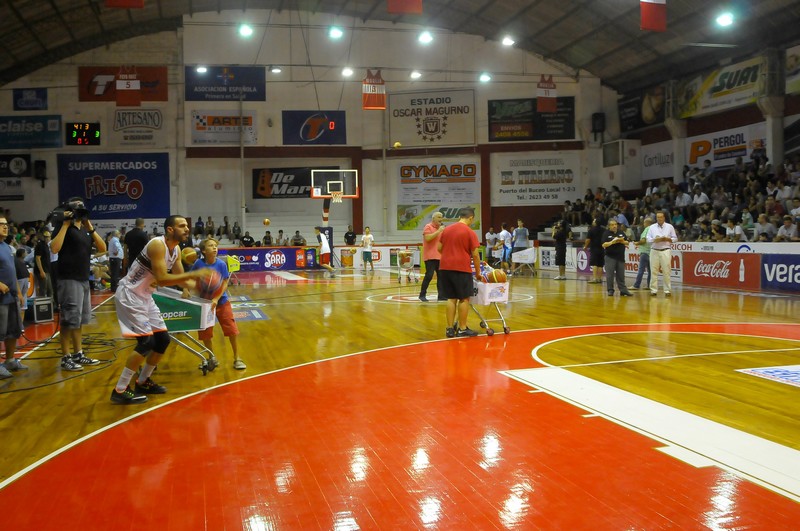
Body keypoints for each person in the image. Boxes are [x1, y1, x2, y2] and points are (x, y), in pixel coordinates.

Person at [110, 215, 212, 404]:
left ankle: (143, 381)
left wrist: (197, 285)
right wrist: (195, 274)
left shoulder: (176, 250)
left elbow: (180, 278)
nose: (187, 229)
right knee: (146, 343)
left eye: (187, 226)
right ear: (170, 229)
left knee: (163, 340)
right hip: (130, 295)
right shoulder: (157, 245)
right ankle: (120, 389)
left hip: (145, 296)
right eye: (182, 226)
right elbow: (163, 279)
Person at [49, 198, 106, 371]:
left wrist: (90, 226)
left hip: (83, 279)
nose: (80, 212)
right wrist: (65, 225)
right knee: (68, 320)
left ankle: (78, 353)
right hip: (68, 278)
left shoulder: (84, 230)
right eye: (77, 209)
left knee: (79, 320)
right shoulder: (63, 227)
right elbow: (54, 248)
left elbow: (103, 248)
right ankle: (66, 357)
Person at [188, 237, 245, 370]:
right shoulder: (198, 264)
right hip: (205, 304)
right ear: (203, 250)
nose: (214, 248)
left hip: (222, 302)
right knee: (205, 333)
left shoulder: (221, 264)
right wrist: (187, 289)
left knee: (232, 330)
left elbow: (225, 283)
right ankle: (211, 357)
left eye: (215, 245)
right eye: (211, 245)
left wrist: (216, 298)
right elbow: (190, 277)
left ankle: (237, 358)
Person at [438, 207, 482, 338]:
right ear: (470, 218)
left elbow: (439, 248)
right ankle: (462, 328)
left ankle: (449, 329)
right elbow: (475, 255)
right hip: (461, 268)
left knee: (451, 298)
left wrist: (449, 253)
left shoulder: (446, 230)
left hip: (445, 267)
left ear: (459, 217)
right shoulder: (470, 232)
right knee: (464, 298)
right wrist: (478, 273)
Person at [0, 217, 25, 379]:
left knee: (13, 330)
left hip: (12, 296)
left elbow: (12, 271)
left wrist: (19, 292)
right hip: (0, 298)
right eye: (1, 224)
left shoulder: (7, 247)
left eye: (6, 224)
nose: (5, 227)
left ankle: (9, 361)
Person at [647, 210, 678, 297]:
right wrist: (654, 240)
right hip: (654, 250)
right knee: (653, 271)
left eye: (661, 217)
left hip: (665, 250)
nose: (659, 219)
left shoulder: (669, 227)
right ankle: (653, 290)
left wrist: (668, 239)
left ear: (664, 218)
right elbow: (648, 239)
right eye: (658, 217)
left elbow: (675, 238)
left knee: (666, 271)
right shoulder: (652, 227)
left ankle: (667, 290)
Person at [418, 212, 445, 302]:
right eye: (439, 217)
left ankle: (441, 296)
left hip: (440, 256)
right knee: (429, 275)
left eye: (441, 217)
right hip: (430, 256)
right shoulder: (428, 226)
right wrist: (438, 231)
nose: (440, 219)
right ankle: (422, 295)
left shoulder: (442, 228)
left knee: (441, 276)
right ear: (433, 219)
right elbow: (428, 238)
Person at [601, 219, 632, 297]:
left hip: (620, 257)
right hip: (610, 257)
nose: (614, 226)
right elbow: (604, 244)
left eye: (615, 224)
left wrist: (621, 241)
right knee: (610, 275)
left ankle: (623, 290)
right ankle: (610, 290)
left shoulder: (621, 232)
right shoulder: (606, 233)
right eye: (612, 225)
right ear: (609, 226)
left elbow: (627, 242)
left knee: (621, 275)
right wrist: (612, 242)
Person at [632, 218, 653, 290]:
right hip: (651, 252)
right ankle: (649, 285)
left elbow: (643, 240)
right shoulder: (653, 230)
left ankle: (636, 285)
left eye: (644, 223)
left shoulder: (647, 229)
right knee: (650, 271)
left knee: (641, 270)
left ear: (646, 223)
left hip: (644, 252)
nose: (643, 224)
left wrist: (637, 243)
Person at [584, 217, 605, 284]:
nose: (593, 221)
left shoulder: (591, 230)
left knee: (595, 264)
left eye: (594, 221)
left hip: (594, 248)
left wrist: (585, 246)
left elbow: (588, 239)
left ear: (595, 223)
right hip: (602, 248)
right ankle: (599, 279)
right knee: (600, 264)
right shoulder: (604, 229)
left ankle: (595, 278)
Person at [34, 229, 53, 299]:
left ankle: (50, 304)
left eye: (48, 237)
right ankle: (42, 304)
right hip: (43, 270)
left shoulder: (46, 245)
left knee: (49, 290)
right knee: (43, 290)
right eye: (46, 237)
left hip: (47, 270)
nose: (47, 238)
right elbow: (37, 258)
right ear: (43, 237)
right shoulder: (40, 245)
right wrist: (41, 271)